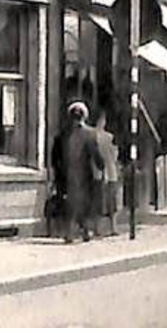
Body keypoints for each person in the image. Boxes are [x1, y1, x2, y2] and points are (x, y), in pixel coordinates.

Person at [52, 101, 103, 243]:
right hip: (83, 175)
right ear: (84, 117)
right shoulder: (90, 134)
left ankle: (69, 232)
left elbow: (55, 157)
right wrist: (101, 165)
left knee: (69, 203)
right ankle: (85, 230)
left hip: (66, 175)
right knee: (85, 202)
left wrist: (56, 173)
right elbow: (95, 154)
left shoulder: (62, 134)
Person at [92, 109, 121, 235]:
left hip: (96, 173)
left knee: (98, 202)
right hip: (111, 172)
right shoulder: (109, 137)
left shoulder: (90, 136)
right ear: (102, 121)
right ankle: (113, 228)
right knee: (112, 203)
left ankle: (97, 228)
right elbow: (115, 155)